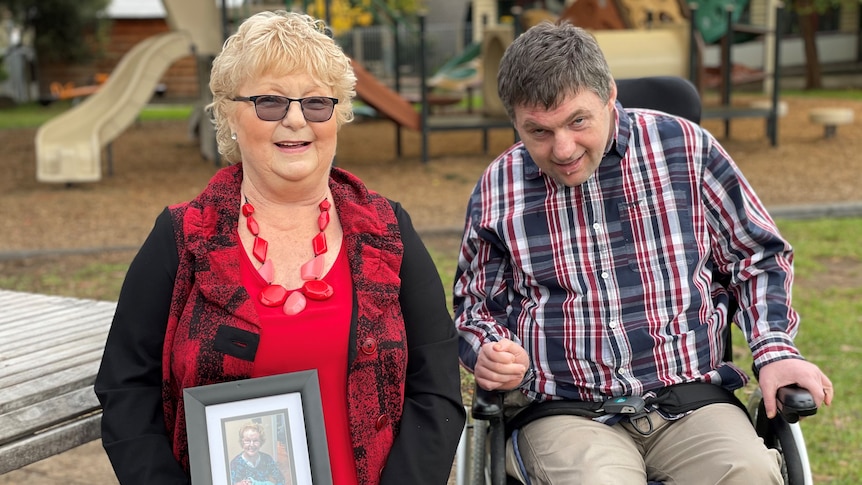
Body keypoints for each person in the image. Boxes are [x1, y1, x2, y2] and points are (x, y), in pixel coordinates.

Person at [453, 21, 833, 484]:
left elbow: (757, 257)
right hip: (566, 410)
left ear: (609, 95)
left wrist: (775, 350)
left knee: (749, 473)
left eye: (578, 121)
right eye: (539, 132)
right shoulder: (500, 187)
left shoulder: (687, 150)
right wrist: (489, 350)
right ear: (515, 121)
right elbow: (475, 304)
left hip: (690, 399)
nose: (563, 149)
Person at [95, 11, 465, 485]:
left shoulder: (387, 231)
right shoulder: (183, 236)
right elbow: (126, 388)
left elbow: (436, 388)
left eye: (316, 103)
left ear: (338, 115)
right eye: (269, 102)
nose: (295, 119)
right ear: (230, 113)